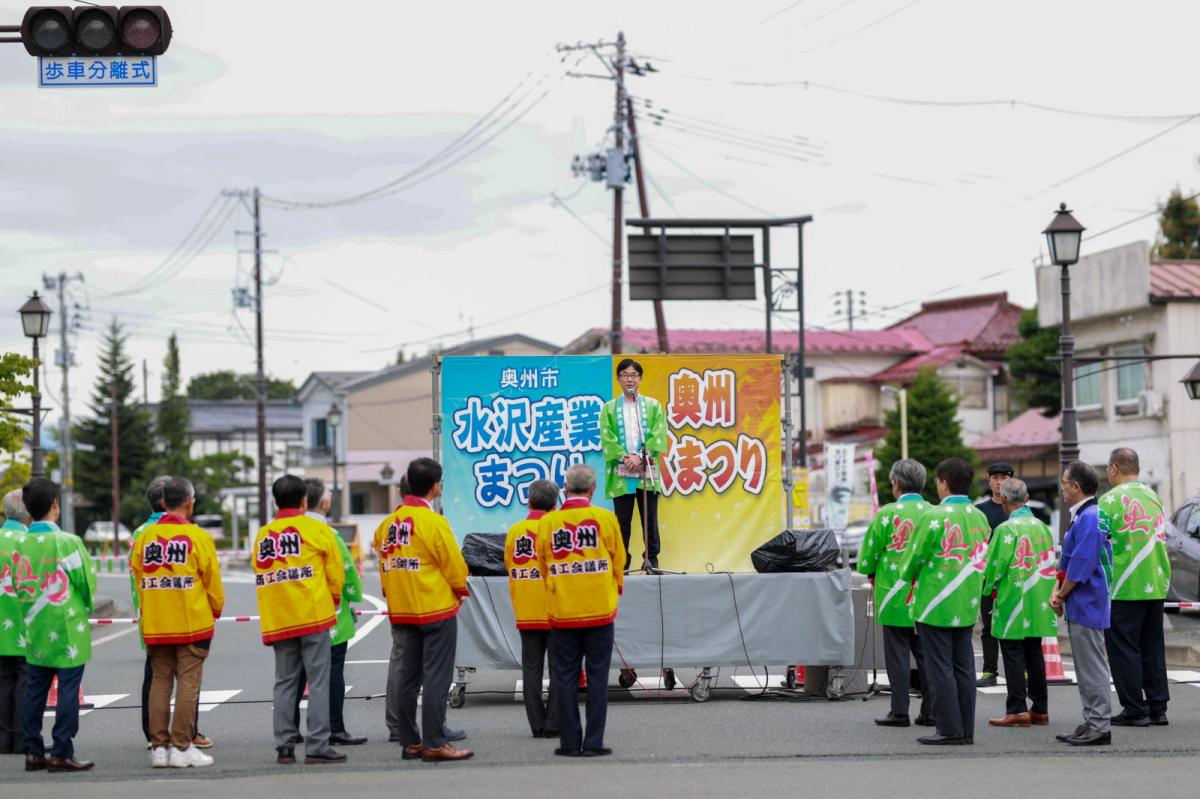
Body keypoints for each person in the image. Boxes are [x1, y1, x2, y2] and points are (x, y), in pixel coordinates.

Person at [374, 458, 472, 762]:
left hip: (402, 608)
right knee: (436, 678)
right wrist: (460, 592)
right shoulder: (434, 523)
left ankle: (410, 741)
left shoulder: (387, 525)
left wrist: (391, 593)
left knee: (407, 678)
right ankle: (434, 742)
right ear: (435, 486)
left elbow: (383, 564)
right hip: (434, 608)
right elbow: (454, 566)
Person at [130, 477, 224, 768]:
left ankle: (159, 747)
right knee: (188, 682)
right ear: (189, 502)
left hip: (157, 622)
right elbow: (213, 584)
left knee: (159, 682)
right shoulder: (198, 538)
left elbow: (138, 577)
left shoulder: (145, 538)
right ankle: (182, 747)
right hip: (191, 621)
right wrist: (215, 610)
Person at [253, 474, 347, 765]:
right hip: (313, 614)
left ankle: (284, 744)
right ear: (305, 501)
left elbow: (260, 573)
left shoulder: (264, 535)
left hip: (280, 617)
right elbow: (336, 574)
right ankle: (317, 745)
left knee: (284, 681)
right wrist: (332, 601)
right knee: (318, 681)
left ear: (275, 501)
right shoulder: (316, 531)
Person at [898, 458, 990, 746]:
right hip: (966, 600)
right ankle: (965, 729)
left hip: (935, 602)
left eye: (938, 481)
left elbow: (913, 559)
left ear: (944, 483)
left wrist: (906, 573)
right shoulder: (979, 517)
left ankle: (948, 728)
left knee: (940, 668)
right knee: (964, 666)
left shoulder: (933, 517)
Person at [536, 463, 625, 757]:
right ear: (593, 489)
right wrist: (614, 590)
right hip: (600, 609)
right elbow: (618, 561)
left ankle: (570, 743)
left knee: (564, 678)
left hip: (563, 611)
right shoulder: (605, 519)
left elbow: (543, 565)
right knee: (598, 678)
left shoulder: (548, 524)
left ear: (564, 488)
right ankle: (594, 742)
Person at [17, 478, 96, 772]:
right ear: (55, 505)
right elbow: (86, 582)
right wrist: (85, 604)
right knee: (67, 687)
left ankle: (33, 751)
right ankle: (62, 750)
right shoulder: (66, 542)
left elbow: (16, 582)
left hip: (34, 625)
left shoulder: (20, 543)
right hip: (66, 625)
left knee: (35, 687)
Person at [855, 459, 933, 727]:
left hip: (893, 593)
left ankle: (899, 711)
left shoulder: (887, 514)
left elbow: (867, 557)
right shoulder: (934, 513)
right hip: (926, 594)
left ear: (897, 483)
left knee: (897, 654)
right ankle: (930, 710)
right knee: (927, 654)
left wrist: (869, 570)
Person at [291, 477, 367, 747]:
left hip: (293, 612)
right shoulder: (328, 534)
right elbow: (346, 573)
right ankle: (334, 728)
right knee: (333, 672)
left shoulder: (287, 533)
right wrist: (353, 596)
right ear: (324, 502)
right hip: (329, 614)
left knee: (294, 674)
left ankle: (290, 730)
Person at [1100, 447, 1171, 727]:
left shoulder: (1108, 501)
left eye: (1108, 468)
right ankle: (1158, 706)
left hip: (1124, 584)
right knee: (1152, 645)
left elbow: (1099, 541)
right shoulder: (1154, 497)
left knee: (1124, 647)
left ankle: (1134, 707)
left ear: (1115, 468)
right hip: (1155, 581)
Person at [983, 478, 1056, 728]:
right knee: (1034, 652)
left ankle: (1016, 708)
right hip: (1038, 597)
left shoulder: (1006, 530)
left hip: (1012, 598)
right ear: (1026, 498)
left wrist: (987, 588)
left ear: (1003, 499)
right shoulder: (1043, 528)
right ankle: (1040, 708)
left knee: (1012, 653)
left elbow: (994, 566)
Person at [1051, 461, 1112, 746]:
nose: (1062, 488)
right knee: (1085, 666)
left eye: (1064, 483)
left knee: (1092, 666)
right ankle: (1091, 720)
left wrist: (1061, 593)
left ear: (1075, 486)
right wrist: (1060, 590)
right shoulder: (1087, 515)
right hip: (1084, 600)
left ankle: (1099, 724)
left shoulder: (1089, 517)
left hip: (1087, 601)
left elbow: (1082, 562)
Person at [600, 358, 668, 572]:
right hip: (621, 470)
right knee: (622, 520)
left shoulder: (653, 405)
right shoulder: (609, 408)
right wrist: (625, 458)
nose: (630, 379)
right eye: (625, 375)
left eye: (634, 375)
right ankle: (622, 561)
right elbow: (607, 437)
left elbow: (659, 433)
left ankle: (651, 559)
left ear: (640, 379)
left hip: (646, 467)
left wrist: (639, 455)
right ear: (619, 379)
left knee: (650, 517)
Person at [504, 478, 560, 738]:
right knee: (561, 668)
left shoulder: (515, 532)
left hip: (526, 609)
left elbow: (508, 565)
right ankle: (554, 723)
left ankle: (537, 725)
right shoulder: (557, 528)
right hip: (556, 609)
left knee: (532, 669)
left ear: (529, 500)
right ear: (555, 503)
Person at [975, 462, 1014, 687]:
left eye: (1004, 477)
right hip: (987, 577)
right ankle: (990, 671)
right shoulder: (980, 511)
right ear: (989, 481)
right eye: (995, 478)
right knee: (988, 626)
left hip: (1014, 577)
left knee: (1016, 625)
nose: (999, 482)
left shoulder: (1017, 509)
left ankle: (1022, 671)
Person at [0, 489, 32, 755]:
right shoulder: (32, 541)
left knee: (2, 680)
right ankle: (23, 740)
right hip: (27, 624)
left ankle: (2, 740)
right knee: (25, 680)